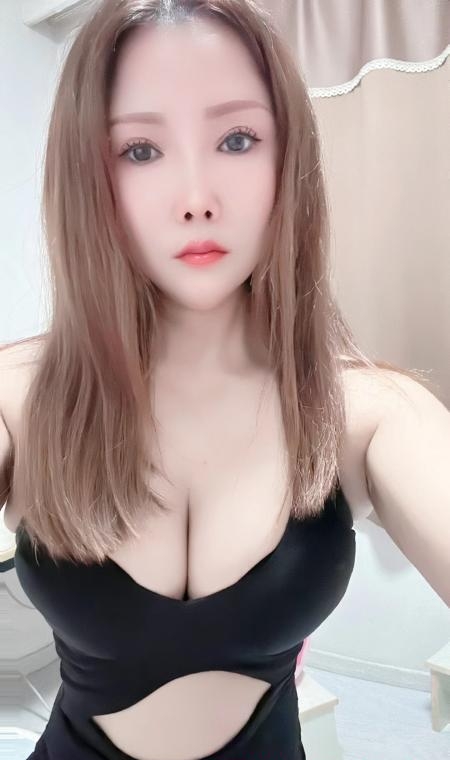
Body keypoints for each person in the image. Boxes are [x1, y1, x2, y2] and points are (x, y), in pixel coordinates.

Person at [1, 1, 436, 759]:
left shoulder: (368, 413)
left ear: (287, 159)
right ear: (88, 174)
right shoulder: (21, 397)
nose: (196, 197)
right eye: (140, 150)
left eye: (237, 139)